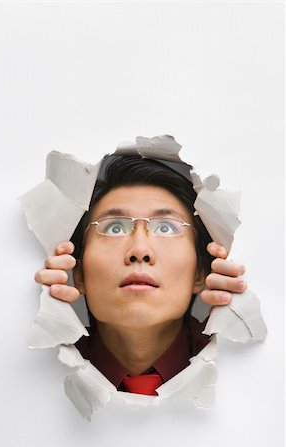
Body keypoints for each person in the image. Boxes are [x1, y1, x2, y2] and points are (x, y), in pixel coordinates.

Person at [35, 155, 246, 396]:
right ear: (79, 273)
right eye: (115, 228)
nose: (139, 251)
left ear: (200, 272)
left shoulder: (237, 367)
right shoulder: (45, 372)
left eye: (166, 228)